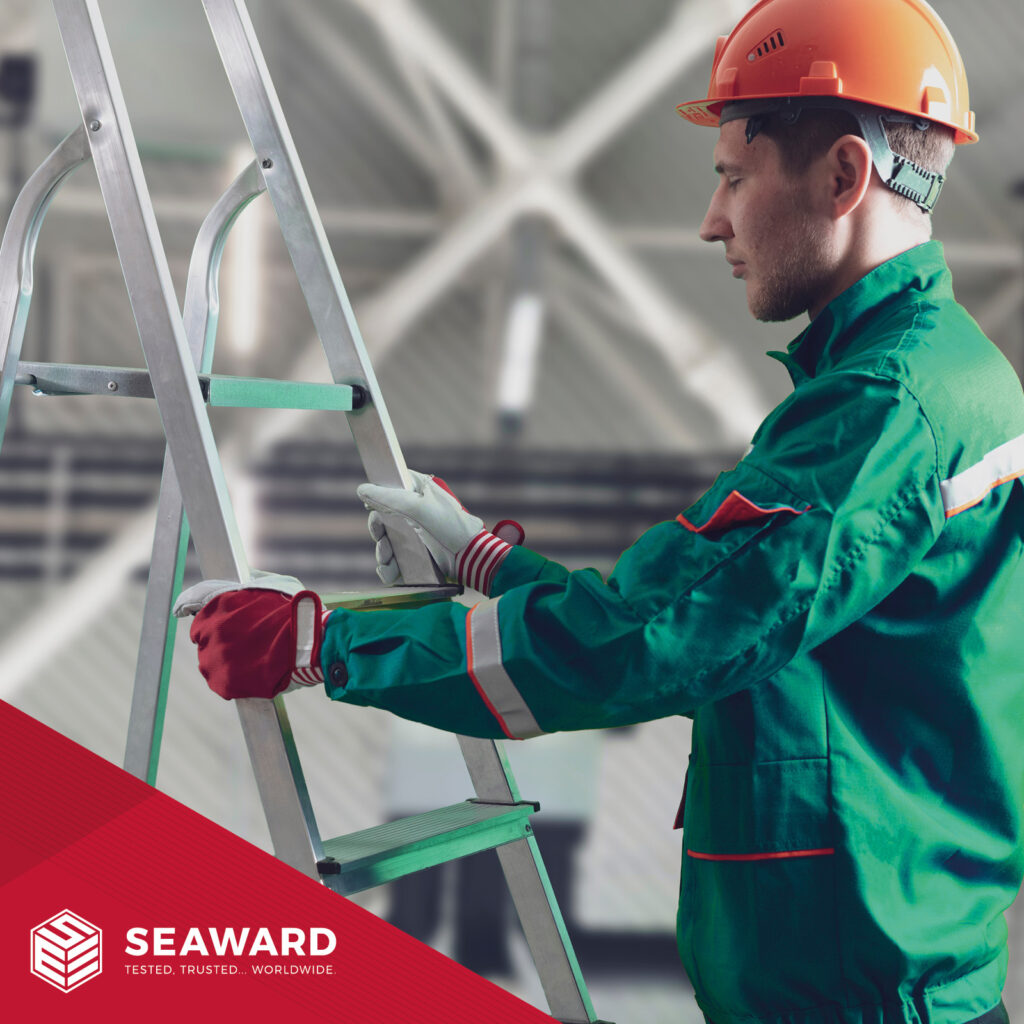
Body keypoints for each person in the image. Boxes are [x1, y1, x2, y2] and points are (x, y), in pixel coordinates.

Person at [175, 1, 1024, 1021]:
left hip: (852, 988)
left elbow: (651, 643)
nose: (713, 219)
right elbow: (718, 623)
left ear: (842, 176)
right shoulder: (929, 381)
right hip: (869, 962)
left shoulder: (883, 410)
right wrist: (490, 566)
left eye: (731, 174)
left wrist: (324, 644)